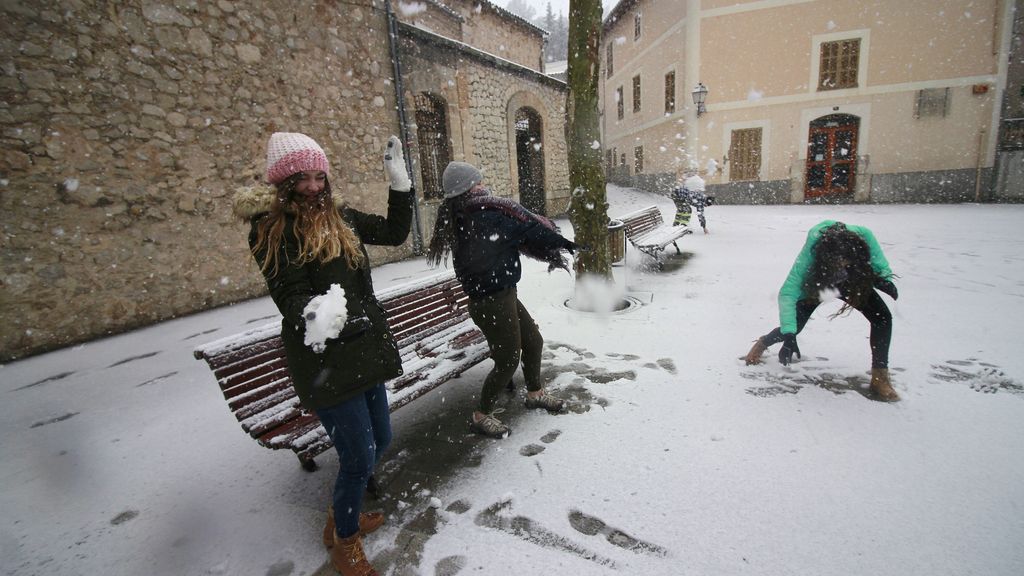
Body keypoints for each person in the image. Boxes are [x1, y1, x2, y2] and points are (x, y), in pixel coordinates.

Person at [234, 132, 413, 576]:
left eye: (319, 176)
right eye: (302, 178)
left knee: (381, 441)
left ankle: (339, 518)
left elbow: (394, 233)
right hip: (325, 361)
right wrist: (317, 312)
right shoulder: (272, 229)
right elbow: (289, 294)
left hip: (363, 349)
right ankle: (345, 546)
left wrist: (399, 185)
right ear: (282, 182)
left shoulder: (341, 217)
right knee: (357, 457)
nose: (314, 186)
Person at [425, 161, 579, 438]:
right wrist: (563, 243)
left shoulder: (471, 214)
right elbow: (528, 230)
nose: (483, 186)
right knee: (508, 360)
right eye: (477, 183)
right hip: (490, 301)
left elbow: (519, 230)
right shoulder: (483, 216)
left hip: (501, 295)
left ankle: (534, 393)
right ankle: (481, 414)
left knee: (533, 342)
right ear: (466, 190)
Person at [742, 220, 900, 401]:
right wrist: (789, 332)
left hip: (854, 280)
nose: (842, 264)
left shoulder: (864, 235)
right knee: (794, 328)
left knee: (882, 318)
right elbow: (788, 292)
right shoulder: (814, 247)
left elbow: (878, 260)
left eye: (846, 260)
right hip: (819, 281)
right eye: (838, 261)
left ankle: (880, 378)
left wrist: (884, 278)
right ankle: (763, 343)